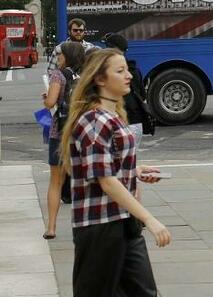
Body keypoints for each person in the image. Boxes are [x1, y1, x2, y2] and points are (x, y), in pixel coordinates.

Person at [59, 48, 171, 297]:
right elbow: (106, 180)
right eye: (119, 71)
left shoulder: (113, 115)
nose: (128, 75)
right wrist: (149, 219)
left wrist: (135, 170)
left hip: (123, 221)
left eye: (127, 69)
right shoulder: (95, 120)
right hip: (101, 226)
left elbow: (111, 164)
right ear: (100, 79)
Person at [42, 41, 86, 239]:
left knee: (56, 181)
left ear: (67, 56)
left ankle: (51, 228)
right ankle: (83, 227)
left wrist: (46, 98)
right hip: (82, 133)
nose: (58, 59)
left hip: (60, 133)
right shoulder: (87, 75)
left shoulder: (58, 75)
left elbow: (50, 102)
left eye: (60, 56)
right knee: (83, 181)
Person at [102, 33, 154, 145]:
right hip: (136, 122)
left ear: (114, 49)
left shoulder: (109, 72)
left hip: (124, 123)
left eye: (107, 46)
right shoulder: (135, 70)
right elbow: (142, 96)